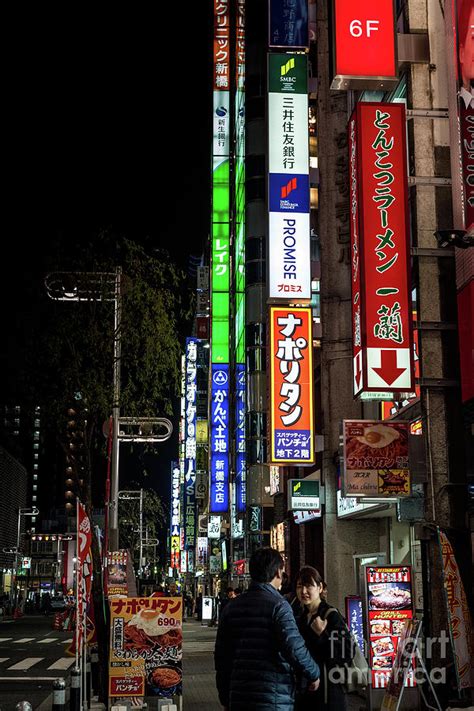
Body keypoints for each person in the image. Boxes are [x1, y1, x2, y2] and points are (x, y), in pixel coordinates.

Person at [215, 547, 320, 710]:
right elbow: (293, 647)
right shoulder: (279, 606)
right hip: (273, 696)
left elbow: (222, 655)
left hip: (239, 696)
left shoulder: (231, 607)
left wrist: (224, 694)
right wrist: (313, 673)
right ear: (278, 572)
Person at [294, 566, 353, 711]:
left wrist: (323, 634)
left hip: (329, 693)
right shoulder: (300, 617)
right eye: (299, 586)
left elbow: (346, 652)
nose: (303, 591)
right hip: (306, 692)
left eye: (309, 586)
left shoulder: (331, 615)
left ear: (320, 588)